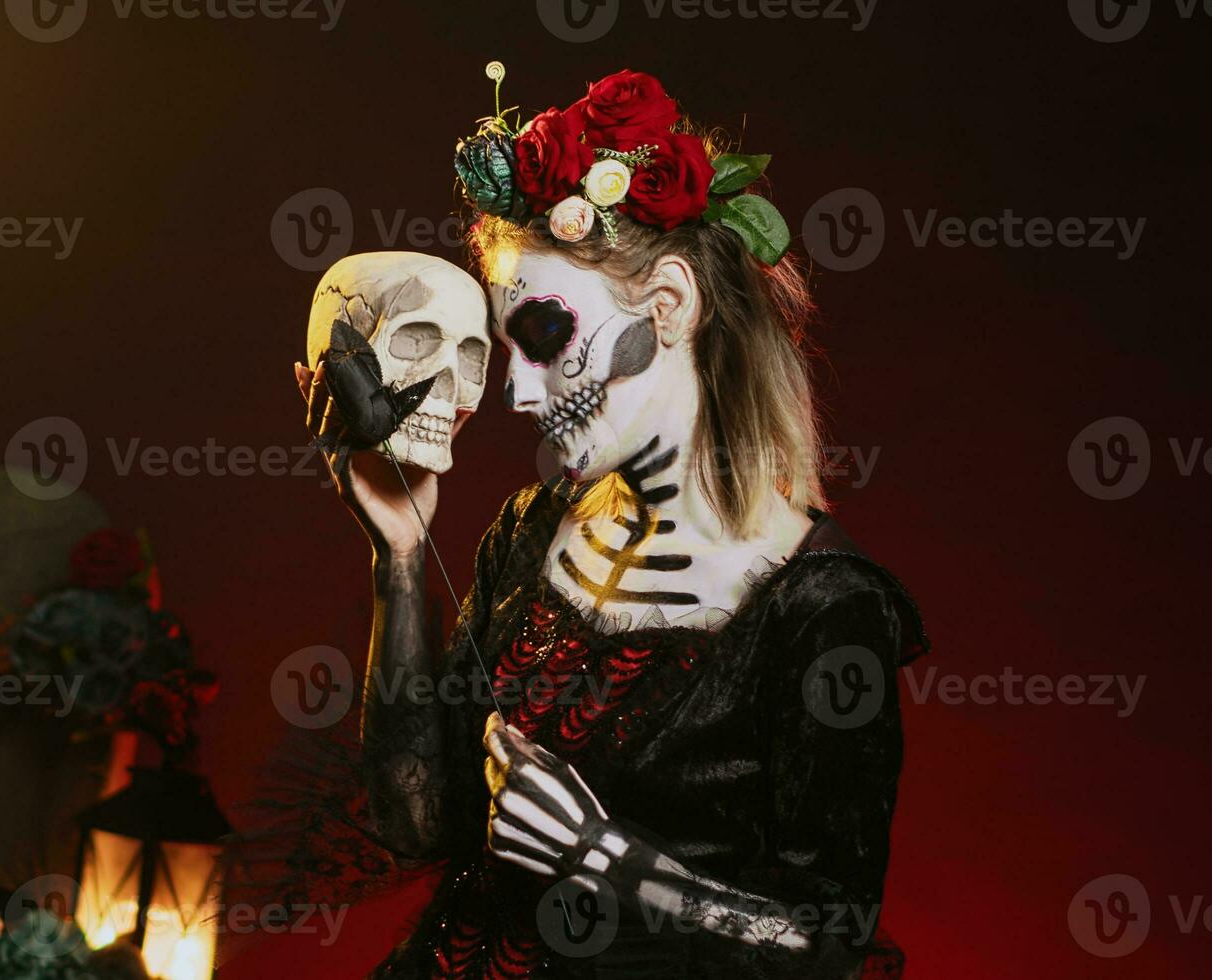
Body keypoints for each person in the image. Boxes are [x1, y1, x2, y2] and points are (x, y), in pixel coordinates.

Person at [293, 67, 926, 979]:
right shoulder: (528, 531)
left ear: (669, 304)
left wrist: (609, 860)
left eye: (546, 338)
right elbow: (415, 826)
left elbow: (829, 941)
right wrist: (396, 555)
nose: (516, 392)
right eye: (510, 351)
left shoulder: (823, 610)